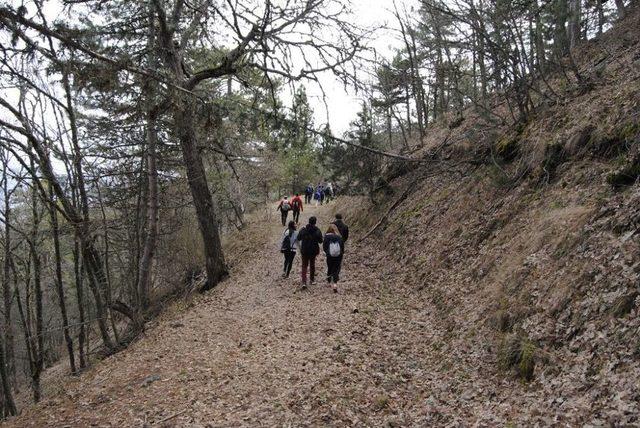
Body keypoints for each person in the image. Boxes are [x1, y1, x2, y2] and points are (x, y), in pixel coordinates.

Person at [296, 216, 323, 288]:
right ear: (315, 222)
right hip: (313, 250)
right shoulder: (317, 230)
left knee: (304, 265)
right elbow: (321, 241)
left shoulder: (303, 229)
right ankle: (312, 280)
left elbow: (298, 238)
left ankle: (304, 281)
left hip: (304, 250)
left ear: (309, 221)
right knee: (312, 265)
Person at [323, 225, 344, 293]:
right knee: (336, 269)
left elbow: (324, 247)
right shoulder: (339, 237)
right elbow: (342, 247)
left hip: (329, 255)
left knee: (330, 267)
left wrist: (327, 252)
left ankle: (329, 281)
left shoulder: (326, 237)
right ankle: (335, 284)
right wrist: (341, 253)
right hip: (338, 255)